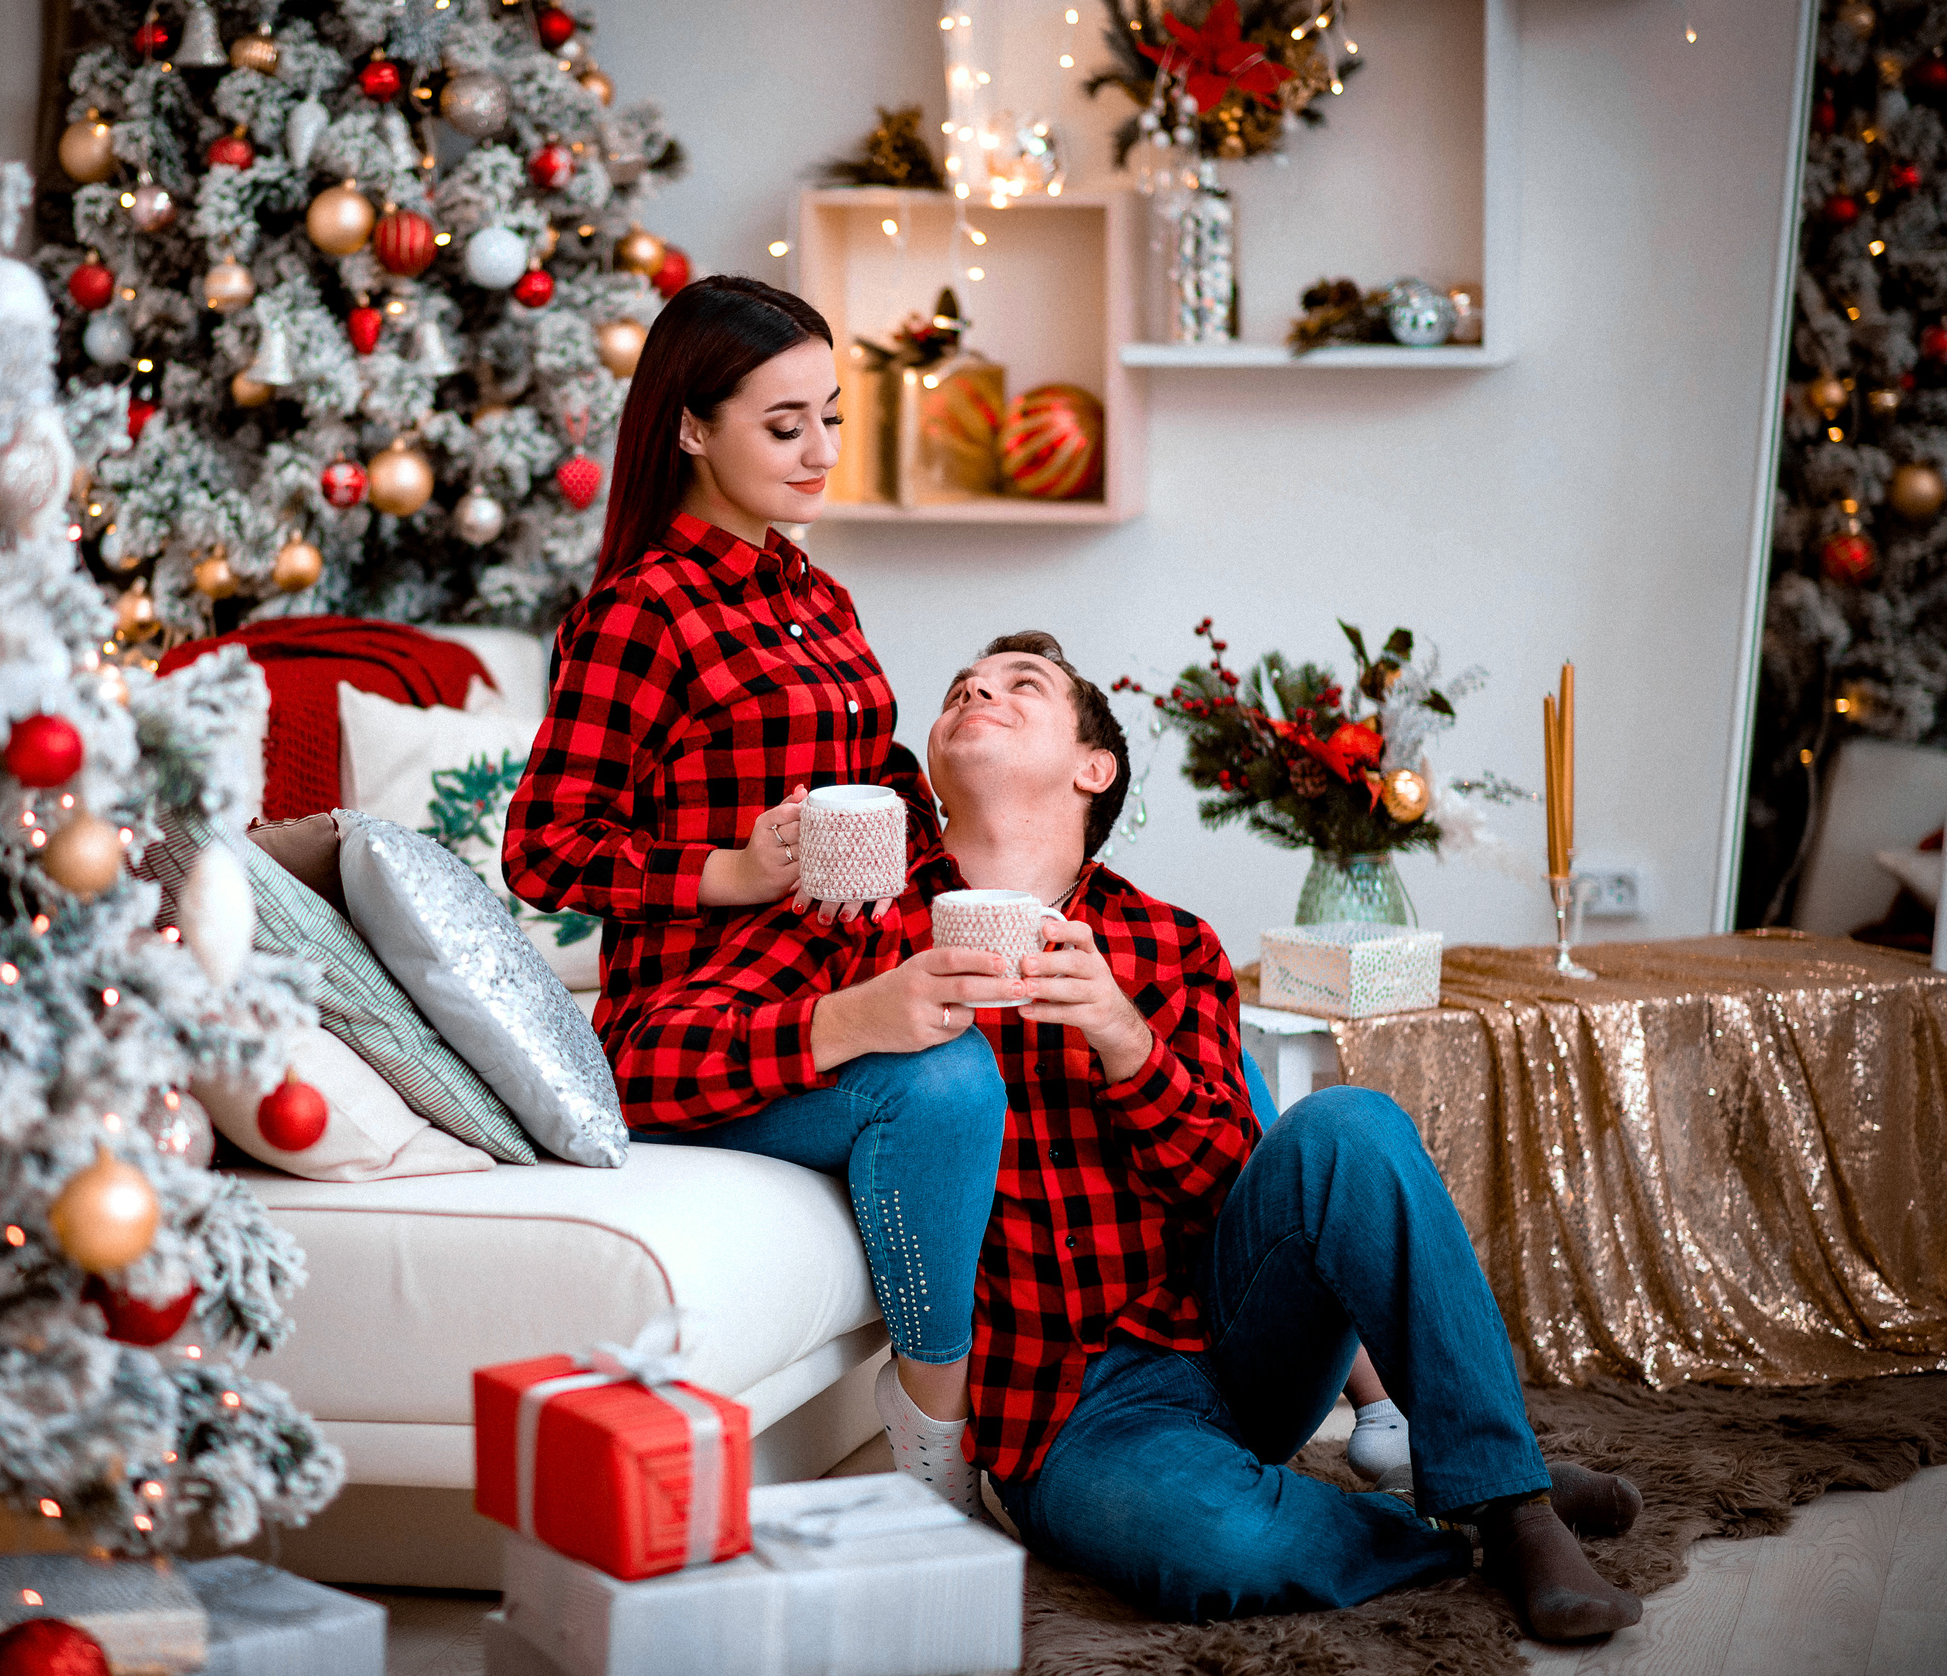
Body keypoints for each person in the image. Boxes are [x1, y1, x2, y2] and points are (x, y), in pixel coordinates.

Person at [611, 631, 1647, 1642]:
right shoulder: (862, 923)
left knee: (1349, 1123)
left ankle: (1516, 1511)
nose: (976, 691)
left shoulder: (1167, 939)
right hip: (1067, 1411)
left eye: (1019, 684)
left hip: (1231, 1335)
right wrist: (849, 1020)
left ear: (1092, 766)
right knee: (1214, 1542)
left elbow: (1233, 1192)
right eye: (960, 687)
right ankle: (1450, 1509)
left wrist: (1124, 1041)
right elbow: (640, 1062)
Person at [503, 276, 1010, 1511]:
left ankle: (1248, 1394)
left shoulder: (813, 593)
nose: (821, 451)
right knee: (940, 1082)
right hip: (696, 1024)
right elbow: (543, 851)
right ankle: (932, 1431)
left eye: (830, 416)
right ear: (691, 425)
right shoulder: (634, 615)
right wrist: (729, 870)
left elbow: (872, 774)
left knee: (1102, 993)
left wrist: (960, 868)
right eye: (785, 426)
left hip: (848, 961)